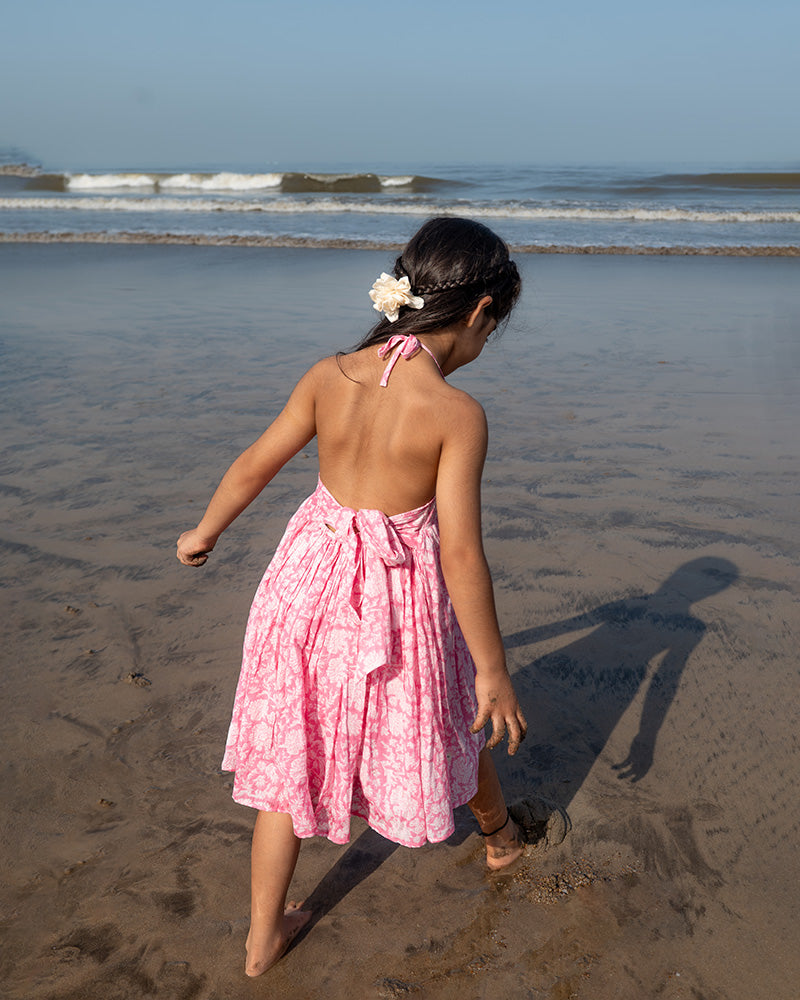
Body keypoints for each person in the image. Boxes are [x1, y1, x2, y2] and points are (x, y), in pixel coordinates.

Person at [176, 217, 528, 977]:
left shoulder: (329, 373)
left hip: (305, 587)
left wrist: (204, 530)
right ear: (476, 314)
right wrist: (494, 667)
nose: (480, 350)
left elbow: (256, 462)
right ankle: (500, 841)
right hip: (390, 599)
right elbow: (462, 553)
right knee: (451, 713)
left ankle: (262, 938)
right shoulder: (456, 415)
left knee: (290, 763)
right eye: (489, 332)